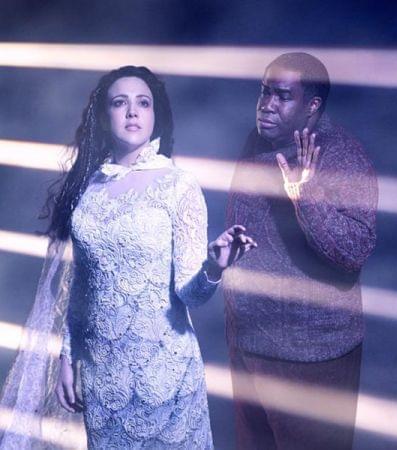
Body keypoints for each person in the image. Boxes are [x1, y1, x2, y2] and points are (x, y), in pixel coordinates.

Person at [0, 66, 256, 449]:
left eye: (143, 103)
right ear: (104, 117)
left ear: (155, 116)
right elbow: (82, 288)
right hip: (103, 380)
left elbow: (192, 295)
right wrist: (67, 358)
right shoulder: (89, 187)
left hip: (166, 378)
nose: (132, 112)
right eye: (120, 103)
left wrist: (214, 267)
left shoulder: (179, 185)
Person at [223, 52, 378, 449]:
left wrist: (305, 197)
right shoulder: (256, 140)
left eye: (281, 96)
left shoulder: (342, 155)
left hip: (311, 361)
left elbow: (354, 251)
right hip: (249, 346)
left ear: (312, 106)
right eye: (264, 92)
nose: (266, 105)